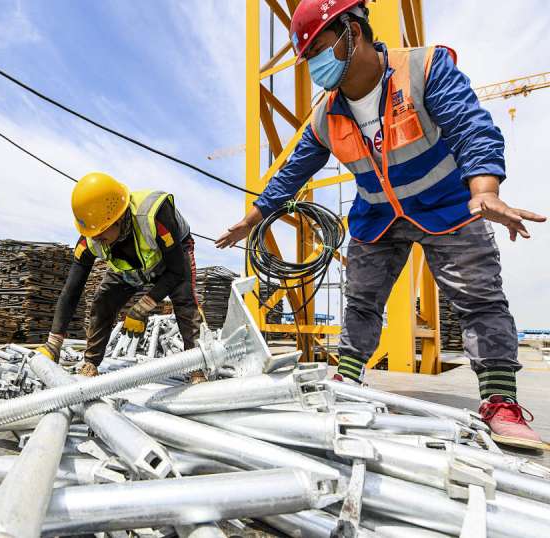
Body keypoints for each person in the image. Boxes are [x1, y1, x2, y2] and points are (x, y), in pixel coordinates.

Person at [216, 0, 546, 449]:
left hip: (448, 205)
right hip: (378, 215)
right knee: (361, 299)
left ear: (353, 31)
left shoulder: (423, 69)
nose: (314, 64)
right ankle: (347, 379)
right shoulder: (324, 116)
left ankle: (500, 401)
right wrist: (251, 220)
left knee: (479, 298)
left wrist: (484, 189)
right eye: (308, 57)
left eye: (319, 50)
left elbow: (471, 126)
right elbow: (293, 171)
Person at [38, 172, 204, 381]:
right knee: (103, 301)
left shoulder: (155, 215)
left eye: (102, 233)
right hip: (130, 268)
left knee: (184, 299)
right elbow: (71, 291)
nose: (98, 240)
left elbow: (177, 271)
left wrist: (143, 307)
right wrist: (54, 343)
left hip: (172, 257)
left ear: (118, 217)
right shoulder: (92, 239)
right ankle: (90, 363)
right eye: (93, 235)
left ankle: (197, 367)